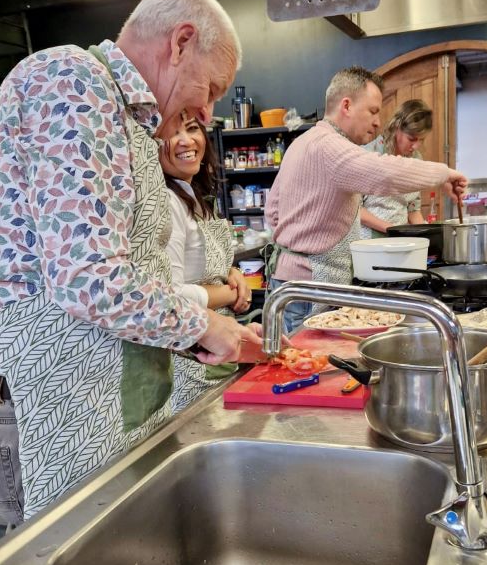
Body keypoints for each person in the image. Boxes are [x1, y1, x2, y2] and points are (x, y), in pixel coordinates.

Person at [0, 0, 261, 524]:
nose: (208, 111)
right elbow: (89, 279)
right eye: (211, 87)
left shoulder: (126, 117)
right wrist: (204, 326)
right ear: (180, 43)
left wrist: (196, 336)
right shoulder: (72, 83)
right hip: (54, 404)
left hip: (106, 397)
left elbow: (130, 270)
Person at [265, 66, 468, 332]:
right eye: (373, 111)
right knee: (305, 368)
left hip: (295, 283)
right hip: (308, 287)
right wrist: (444, 174)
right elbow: (383, 174)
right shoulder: (329, 146)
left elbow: (272, 210)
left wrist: (296, 241)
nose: (377, 122)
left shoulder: (303, 142)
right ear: (346, 105)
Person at [159, 110, 252, 412]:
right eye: (172, 134)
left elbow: (200, 261)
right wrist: (229, 293)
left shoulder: (195, 194)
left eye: (192, 129)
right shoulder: (167, 202)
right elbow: (169, 295)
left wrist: (230, 270)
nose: (186, 141)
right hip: (193, 361)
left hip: (220, 346)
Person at [359, 99, 432, 238]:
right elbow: (356, 211)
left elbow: (413, 210)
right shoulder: (368, 155)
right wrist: (393, 229)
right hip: (370, 243)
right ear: (397, 127)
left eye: (421, 140)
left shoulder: (416, 160)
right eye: (412, 139)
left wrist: (426, 235)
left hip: (400, 239)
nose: (416, 146)